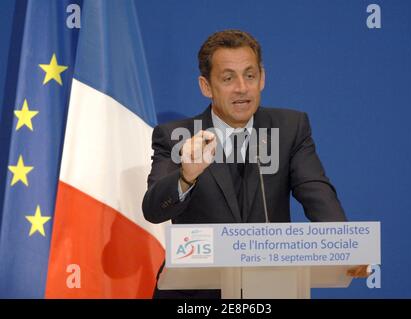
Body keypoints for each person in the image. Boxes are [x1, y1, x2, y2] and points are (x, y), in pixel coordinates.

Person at [142, 30, 364, 299]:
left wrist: (344, 246)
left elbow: (316, 192)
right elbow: (154, 209)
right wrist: (186, 177)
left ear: (262, 79)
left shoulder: (289, 128)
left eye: (250, 75)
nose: (242, 87)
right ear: (206, 86)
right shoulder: (177, 136)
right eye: (228, 78)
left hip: (269, 290)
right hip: (195, 294)